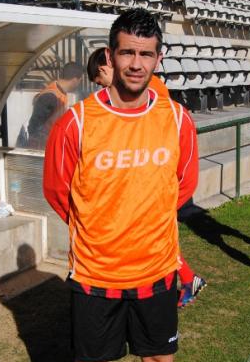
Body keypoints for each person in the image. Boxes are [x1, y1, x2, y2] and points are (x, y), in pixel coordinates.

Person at [43, 8, 199, 362]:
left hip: (157, 270)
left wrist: (145, 220)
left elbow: (182, 189)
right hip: (96, 276)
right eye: (127, 52)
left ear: (158, 59)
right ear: (109, 58)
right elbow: (58, 193)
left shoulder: (177, 120)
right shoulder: (75, 123)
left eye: (146, 54)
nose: (136, 63)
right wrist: (101, 228)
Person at [86, 46, 206, 308]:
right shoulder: (139, 91)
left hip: (154, 180)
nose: (100, 87)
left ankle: (186, 280)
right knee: (156, 237)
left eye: (99, 80)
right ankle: (188, 279)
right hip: (147, 178)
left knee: (156, 238)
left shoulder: (150, 91)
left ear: (106, 67)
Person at [23, 62, 83, 149]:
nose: (79, 84)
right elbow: (34, 127)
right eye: (80, 80)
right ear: (75, 80)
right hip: (44, 149)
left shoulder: (61, 93)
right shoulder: (50, 96)